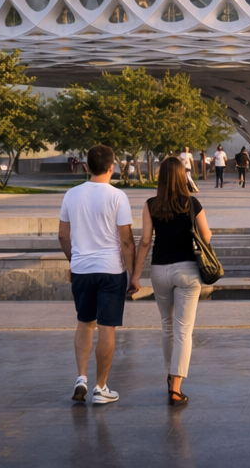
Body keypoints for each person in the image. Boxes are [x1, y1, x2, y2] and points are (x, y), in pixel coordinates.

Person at [58, 144, 136, 405]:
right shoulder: (117, 196)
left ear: (87, 166)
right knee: (106, 328)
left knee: (84, 322)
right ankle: (101, 387)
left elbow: (62, 235)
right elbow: (126, 240)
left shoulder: (71, 194)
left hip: (81, 270)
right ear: (112, 167)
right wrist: (134, 272)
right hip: (111, 270)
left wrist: (75, 260)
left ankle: (81, 377)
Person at [132, 156, 210, 405]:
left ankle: (170, 374)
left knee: (167, 326)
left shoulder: (151, 204)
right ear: (182, 176)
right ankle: (175, 387)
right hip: (187, 270)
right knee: (183, 330)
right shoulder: (192, 202)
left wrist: (135, 275)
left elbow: (145, 241)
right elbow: (206, 236)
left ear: (161, 177)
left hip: (159, 270)